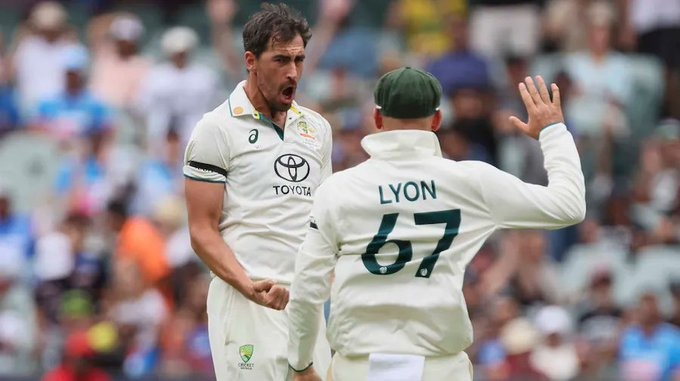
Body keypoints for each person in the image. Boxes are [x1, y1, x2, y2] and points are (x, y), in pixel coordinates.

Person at [287, 68, 586, 381]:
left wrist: (302, 364)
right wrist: (553, 131)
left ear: (376, 119)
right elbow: (569, 206)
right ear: (437, 120)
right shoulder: (469, 181)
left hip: (359, 368)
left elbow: (307, 287)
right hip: (439, 368)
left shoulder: (339, 189)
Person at [183, 3, 333, 380]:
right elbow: (202, 231)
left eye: (299, 60)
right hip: (247, 301)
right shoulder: (215, 129)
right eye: (281, 60)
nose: (293, 72)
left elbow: (326, 221)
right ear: (251, 60)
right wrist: (248, 285)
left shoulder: (316, 129)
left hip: (306, 307)